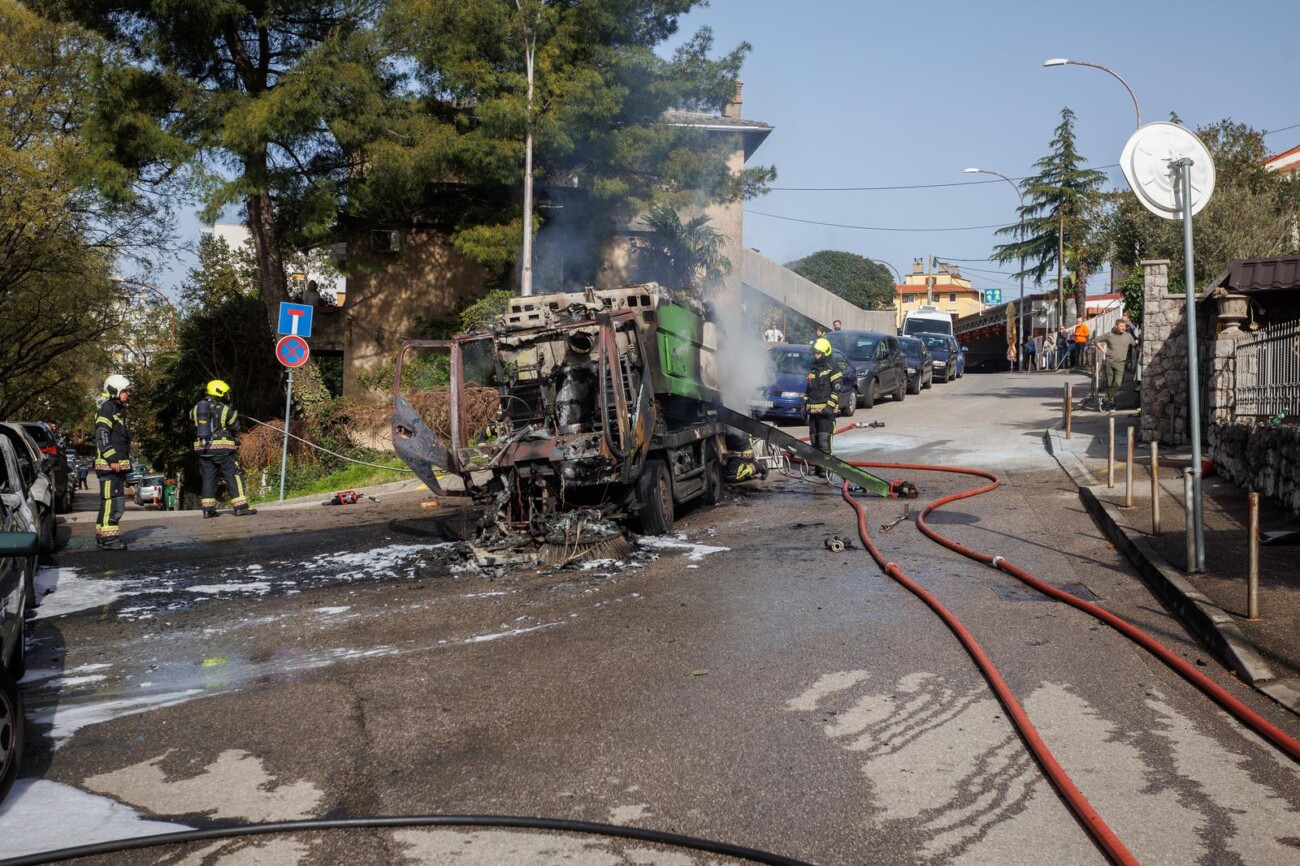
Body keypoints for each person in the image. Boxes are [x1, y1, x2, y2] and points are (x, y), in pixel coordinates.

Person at [192, 379, 256, 517]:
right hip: (222, 449)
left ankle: (208, 510)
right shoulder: (225, 409)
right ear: (220, 392)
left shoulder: (197, 408)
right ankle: (241, 507)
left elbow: (193, 419)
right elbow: (235, 427)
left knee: (208, 478)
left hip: (203, 449)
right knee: (233, 475)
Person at [94, 374, 132, 550]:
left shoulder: (116, 409)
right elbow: (102, 434)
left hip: (113, 466)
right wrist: (113, 459)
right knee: (113, 502)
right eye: (124, 391)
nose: (128, 394)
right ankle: (110, 540)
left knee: (108, 502)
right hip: (110, 466)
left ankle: (103, 536)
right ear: (114, 390)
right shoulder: (107, 408)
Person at [803, 338, 841, 476]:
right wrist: (804, 404)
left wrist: (829, 407)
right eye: (815, 353)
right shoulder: (813, 368)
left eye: (818, 353)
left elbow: (836, 390)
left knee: (824, 442)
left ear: (825, 353)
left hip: (826, 413)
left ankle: (826, 468)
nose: (816, 355)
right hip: (813, 411)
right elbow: (809, 389)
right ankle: (818, 467)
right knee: (814, 441)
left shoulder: (833, 368)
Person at [1095, 319, 1137, 411]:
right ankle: (1111, 405)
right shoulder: (1109, 335)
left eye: (1124, 326)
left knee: (1117, 383)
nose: (1123, 328)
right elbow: (1096, 340)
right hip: (1110, 362)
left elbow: (1135, 347)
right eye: (1121, 326)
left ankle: (1104, 400)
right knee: (1110, 384)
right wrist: (1103, 351)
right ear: (1116, 326)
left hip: (1121, 363)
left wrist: (1141, 344)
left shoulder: (1128, 336)